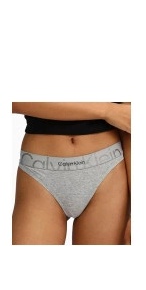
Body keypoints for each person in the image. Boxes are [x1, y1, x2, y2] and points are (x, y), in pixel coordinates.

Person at [12, 102, 131, 245]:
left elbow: (129, 119)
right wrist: (108, 111)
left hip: (108, 173)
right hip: (40, 175)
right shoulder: (109, 111)